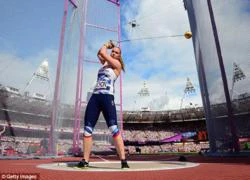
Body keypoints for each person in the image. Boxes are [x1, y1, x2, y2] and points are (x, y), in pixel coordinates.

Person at [77, 40, 129, 169]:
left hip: (107, 97)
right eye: (113, 51)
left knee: (113, 128)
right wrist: (106, 47)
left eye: (117, 52)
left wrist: (106, 45)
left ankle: (123, 160)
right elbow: (98, 53)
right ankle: (85, 160)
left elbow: (101, 52)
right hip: (95, 97)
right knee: (87, 129)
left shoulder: (116, 65)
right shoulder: (105, 64)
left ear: (119, 56)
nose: (114, 53)